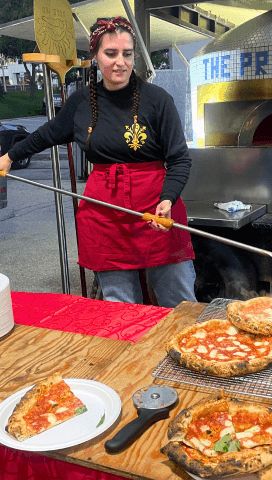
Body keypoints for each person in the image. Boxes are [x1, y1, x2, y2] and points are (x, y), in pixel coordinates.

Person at [0, 16, 197, 308]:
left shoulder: (158, 100)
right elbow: (47, 134)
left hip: (156, 209)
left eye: (127, 54)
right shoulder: (81, 102)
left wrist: (168, 199)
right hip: (106, 213)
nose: (120, 62)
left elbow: (179, 159)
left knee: (180, 303)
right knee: (119, 308)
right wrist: (8, 157)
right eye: (111, 53)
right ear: (94, 56)